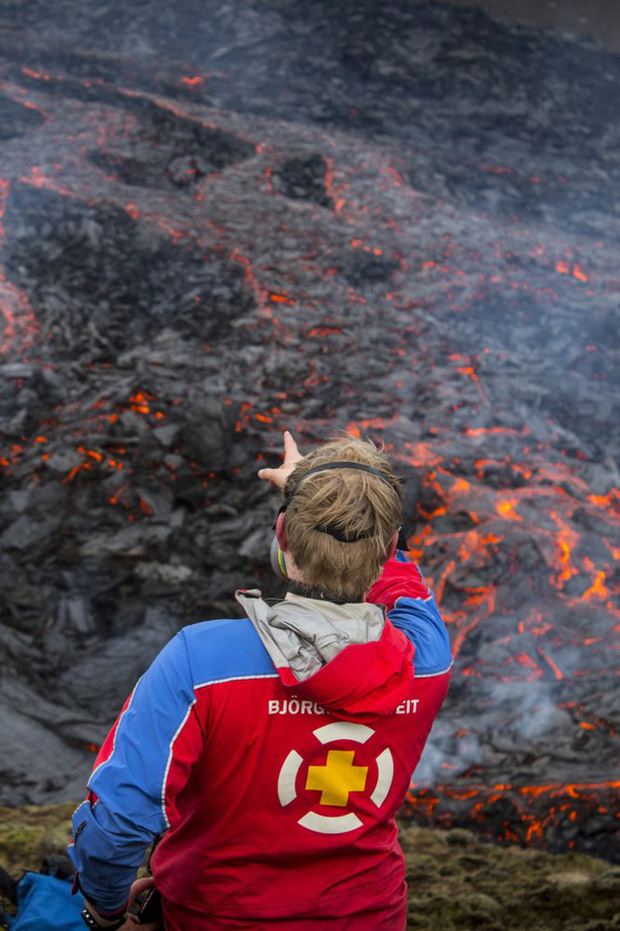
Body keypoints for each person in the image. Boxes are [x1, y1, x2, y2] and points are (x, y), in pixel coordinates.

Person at [69, 431, 452, 931]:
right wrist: (338, 500)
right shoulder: (426, 659)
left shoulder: (201, 659)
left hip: (212, 917)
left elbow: (118, 821)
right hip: (370, 917)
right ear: (384, 550)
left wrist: (108, 916)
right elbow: (400, 578)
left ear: (281, 537)